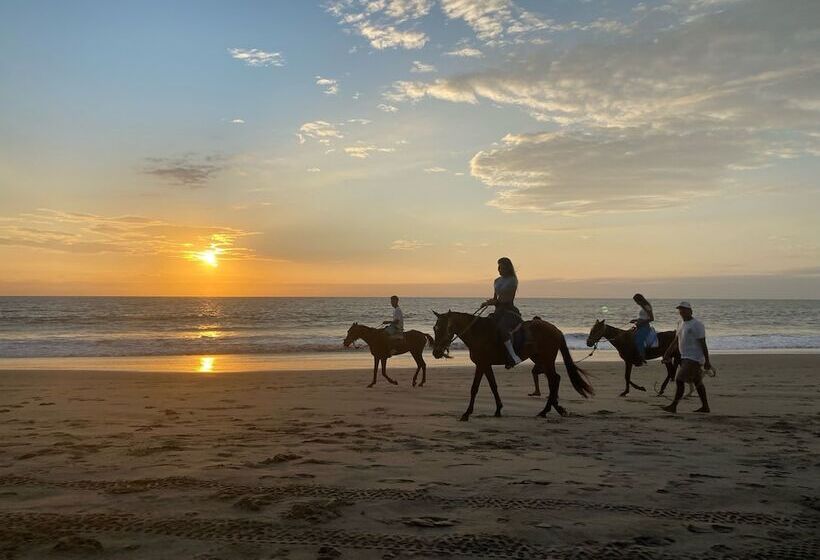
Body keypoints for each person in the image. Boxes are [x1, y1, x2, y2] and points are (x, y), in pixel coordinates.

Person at [662, 302, 713, 413]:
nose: (682, 312)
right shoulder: (680, 323)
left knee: (679, 379)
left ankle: (674, 406)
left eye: (684, 310)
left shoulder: (697, 325)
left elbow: (703, 343)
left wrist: (707, 361)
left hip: (694, 358)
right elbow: (676, 341)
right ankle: (705, 407)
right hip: (684, 357)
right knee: (697, 381)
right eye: (680, 310)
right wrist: (667, 353)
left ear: (690, 311)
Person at [483, 257, 523, 368]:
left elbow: (506, 299)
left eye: (501, 267)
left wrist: (491, 302)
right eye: (498, 267)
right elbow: (495, 298)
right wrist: (489, 302)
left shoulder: (513, 280)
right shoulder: (496, 281)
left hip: (509, 310)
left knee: (502, 328)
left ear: (507, 268)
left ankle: (513, 357)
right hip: (498, 310)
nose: (499, 269)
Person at [630, 293, 655, 365]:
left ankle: (642, 358)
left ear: (640, 300)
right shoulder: (643, 307)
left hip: (645, 326)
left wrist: (641, 323)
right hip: (640, 326)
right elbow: (643, 317)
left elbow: (652, 318)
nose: (636, 303)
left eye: (636, 301)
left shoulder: (647, 306)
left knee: (639, 341)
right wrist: (635, 320)